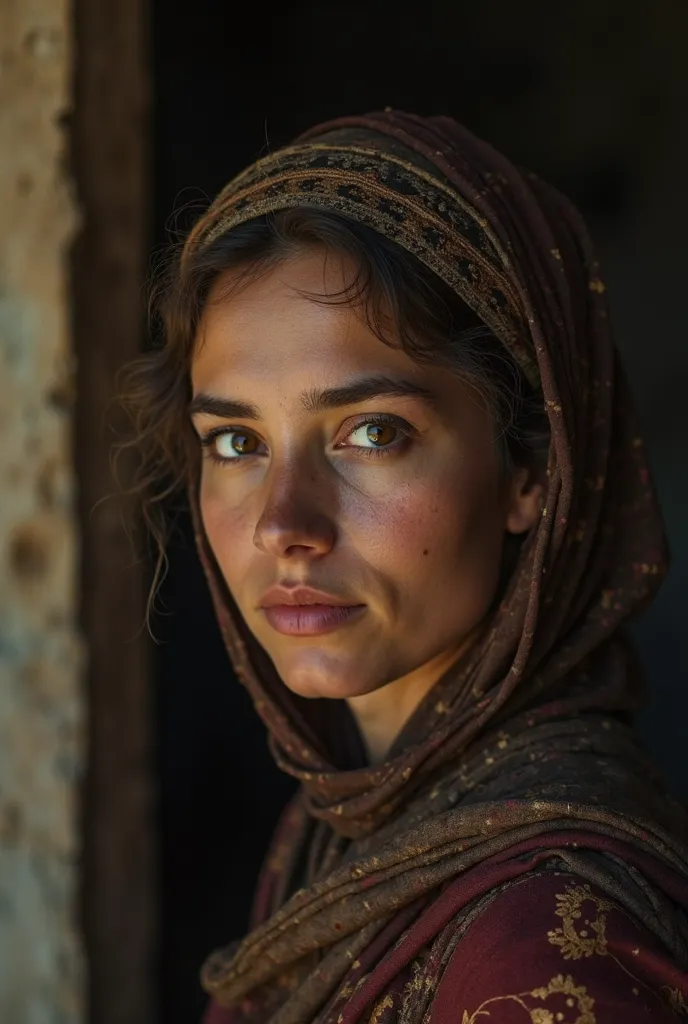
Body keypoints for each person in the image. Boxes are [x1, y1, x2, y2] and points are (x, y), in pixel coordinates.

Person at [121, 111, 688, 1022]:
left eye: (372, 433)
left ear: (533, 472)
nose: (283, 524)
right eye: (236, 441)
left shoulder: (546, 950)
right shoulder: (351, 827)